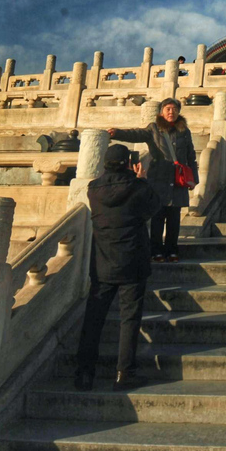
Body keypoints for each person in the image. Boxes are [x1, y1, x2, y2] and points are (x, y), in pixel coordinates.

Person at [74, 144, 161, 392]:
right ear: (128, 162)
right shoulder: (137, 187)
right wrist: (142, 178)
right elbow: (154, 206)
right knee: (129, 318)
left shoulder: (93, 189)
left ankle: (84, 373)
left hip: (102, 262)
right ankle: (124, 373)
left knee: (94, 319)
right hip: (132, 260)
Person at [109, 98, 198, 263]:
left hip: (178, 180)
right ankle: (156, 250)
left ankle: (172, 250)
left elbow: (190, 155)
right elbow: (136, 134)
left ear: (179, 111)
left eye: (174, 109)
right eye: (168, 109)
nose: (171, 112)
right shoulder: (154, 128)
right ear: (162, 112)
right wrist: (118, 133)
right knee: (157, 217)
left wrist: (194, 178)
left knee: (174, 219)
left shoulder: (184, 131)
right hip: (159, 178)